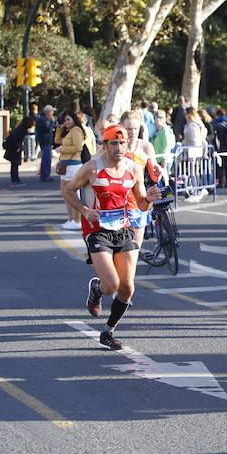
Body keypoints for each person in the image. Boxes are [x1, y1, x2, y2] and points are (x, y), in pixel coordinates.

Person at [64, 124, 162, 350]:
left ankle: (108, 331)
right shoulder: (92, 168)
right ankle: (97, 289)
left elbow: (140, 204)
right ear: (105, 146)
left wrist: (148, 197)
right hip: (97, 231)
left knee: (127, 287)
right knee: (111, 286)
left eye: (122, 143)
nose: (118, 147)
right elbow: (68, 190)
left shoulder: (134, 169)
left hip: (123, 229)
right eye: (113, 144)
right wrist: (85, 211)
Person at [119, 110, 161, 248]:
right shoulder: (114, 146)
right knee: (119, 248)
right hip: (117, 202)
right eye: (128, 128)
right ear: (121, 128)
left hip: (138, 201)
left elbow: (154, 173)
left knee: (135, 247)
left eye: (135, 128)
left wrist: (158, 171)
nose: (132, 132)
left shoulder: (145, 146)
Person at [55, 110, 89, 230]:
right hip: (65, 165)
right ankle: (71, 219)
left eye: (68, 120)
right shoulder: (68, 131)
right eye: (64, 120)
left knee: (71, 193)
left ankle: (77, 219)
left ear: (74, 119)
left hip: (74, 164)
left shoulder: (76, 130)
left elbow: (78, 147)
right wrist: (60, 128)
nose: (66, 122)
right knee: (65, 193)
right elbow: (57, 140)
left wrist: (62, 149)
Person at [4, 116, 36, 187]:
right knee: (14, 164)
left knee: (16, 164)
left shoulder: (21, 128)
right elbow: (15, 138)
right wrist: (18, 146)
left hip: (14, 147)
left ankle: (16, 179)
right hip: (14, 148)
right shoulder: (21, 129)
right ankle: (14, 180)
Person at [36, 104, 56, 182]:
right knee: (47, 158)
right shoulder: (44, 120)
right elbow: (48, 129)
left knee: (46, 157)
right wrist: (52, 121)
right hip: (45, 141)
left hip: (47, 141)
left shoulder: (44, 119)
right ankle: (45, 175)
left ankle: (44, 174)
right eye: (52, 111)